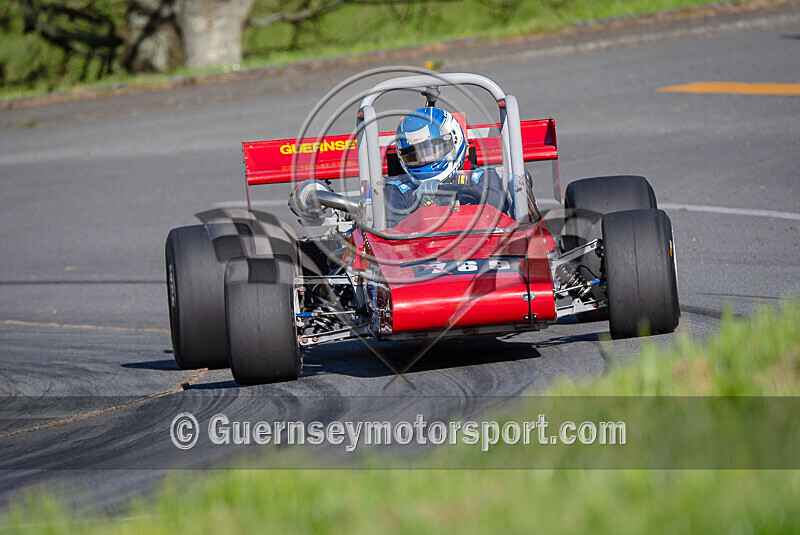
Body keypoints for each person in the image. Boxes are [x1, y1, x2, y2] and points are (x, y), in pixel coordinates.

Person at [385, 106, 511, 227]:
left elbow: (498, 217)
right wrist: (419, 206)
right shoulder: (399, 191)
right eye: (413, 156)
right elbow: (392, 232)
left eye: (431, 151)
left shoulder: (482, 178)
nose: (424, 160)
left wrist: (448, 194)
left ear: (454, 140)